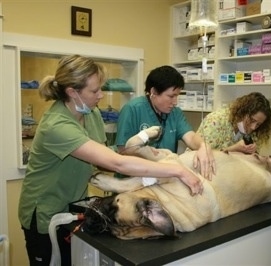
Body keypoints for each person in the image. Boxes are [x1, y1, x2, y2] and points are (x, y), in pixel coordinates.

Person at [18, 55, 206, 266]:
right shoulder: (56, 125)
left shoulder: (91, 114)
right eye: (94, 91)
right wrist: (176, 170)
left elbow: (103, 159)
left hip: (73, 204)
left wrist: (138, 153)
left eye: (101, 88)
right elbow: (116, 164)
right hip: (45, 210)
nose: (101, 95)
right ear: (72, 92)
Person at [115, 65, 215, 179]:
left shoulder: (175, 113)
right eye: (171, 96)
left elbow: (191, 137)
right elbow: (123, 151)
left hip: (163, 178)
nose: (175, 102)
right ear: (153, 92)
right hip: (134, 178)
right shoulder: (132, 109)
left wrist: (203, 146)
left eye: (177, 96)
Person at [196, 92, 271, 154]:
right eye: (252, 120)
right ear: (243, 111)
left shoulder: (254, 133)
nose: (253, 127)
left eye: (258, 124)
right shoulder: (216, 121)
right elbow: (201, 154)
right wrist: (233, 149)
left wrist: (252, 151)